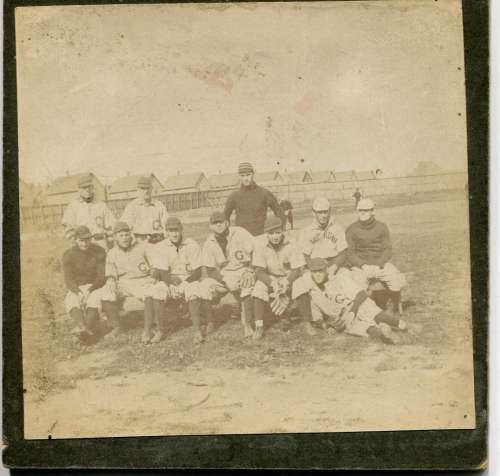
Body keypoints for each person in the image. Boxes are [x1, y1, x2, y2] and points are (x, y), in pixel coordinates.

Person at [302, 258, 407, 344]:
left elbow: (361, 294)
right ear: (310, 273)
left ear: (326, 270)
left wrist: (353, 311)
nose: (317, 275)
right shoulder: (313, 292)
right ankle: (384, 334)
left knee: (373, 313)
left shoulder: (339, 279)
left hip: (357, 304)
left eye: (320, 271)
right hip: (343, 317)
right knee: (366, 329)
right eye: (314, 272)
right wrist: (326, 326)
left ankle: (399, 324)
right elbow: (316, 316)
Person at [148, 217, 207, 344]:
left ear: (181, 229)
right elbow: (162, 271)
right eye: (171, 231)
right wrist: (170, 284)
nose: (174, 234)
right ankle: (160, 330)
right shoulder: (161, 247)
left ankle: (197, 331)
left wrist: (185, 283)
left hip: (188, 278)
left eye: (176, 230)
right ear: (166, 232)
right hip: (169, 279)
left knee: (193, 289)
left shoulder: (192, 244)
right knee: (158, 290)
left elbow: (197, 271)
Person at [101, 221, 161, 344]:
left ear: (131, 235)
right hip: (123, 283)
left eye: (127, 235)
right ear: (115, 237)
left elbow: (155, 265)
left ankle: (149, 327)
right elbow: (110, 272)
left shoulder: (142, 247)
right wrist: (111, 280)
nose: (125, 238)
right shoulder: (112, 253)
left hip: (142, 280)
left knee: (150, 293)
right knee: (106, 292)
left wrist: (154, 276)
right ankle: (117, 326)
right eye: (121, 235)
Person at [199, 211, 256, 338]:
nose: (218, 225)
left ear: (227, 223)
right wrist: (224, 281)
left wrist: (249, 270)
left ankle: (247, 323)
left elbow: (256, 251)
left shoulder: (240, 233)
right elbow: (210, 270)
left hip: (242, 270)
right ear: (210, 226)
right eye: (215, 223)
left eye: (221, 222)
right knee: (204, 286)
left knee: (247, 284)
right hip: (224, 275)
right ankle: (210, 322)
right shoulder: (209, 242)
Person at [251, 216, 309, 339]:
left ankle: (307, 321)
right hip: (270, 276)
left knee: (300, 284)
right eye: (271, 233)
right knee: (258, 288)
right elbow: (259, 271)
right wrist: (271, 282)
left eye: (277, 232)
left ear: (283, 231)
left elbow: (297, 269)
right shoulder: (260, 243)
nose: (275, 236)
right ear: (266, 233)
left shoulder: (292, 242)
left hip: (288, 276)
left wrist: (287, 281)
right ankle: (259, 326)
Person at [345, 198, 406, 315]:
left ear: (373, 211)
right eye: (360, 210)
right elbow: (350, 253)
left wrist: (379, 264)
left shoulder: (382, 227)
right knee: (357, 284)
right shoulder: (351, 229)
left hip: (380, 264)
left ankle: (393, 307)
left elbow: (388, 249)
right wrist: (362, 265)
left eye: (366, 210)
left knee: (395, 278)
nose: (362, 213)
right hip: (361, 267)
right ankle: (362, 311)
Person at [62, 225, 109, 344]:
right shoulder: (68, 254)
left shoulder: (99, 251)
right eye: (81, 240)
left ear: (91, 238)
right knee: (72, 300)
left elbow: (101, 276)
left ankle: (83, 331)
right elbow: (68, 279)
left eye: (87, 239)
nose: (85, 243)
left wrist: (90, 289)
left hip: (96, 286)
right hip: (77, 287)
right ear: (75, 240)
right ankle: (82, 326)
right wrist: (77, 292)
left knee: (94, 300)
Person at [224, 162, 284, 236]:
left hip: (261, 236)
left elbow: (279, 212)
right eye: (242, 176)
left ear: (253, 174)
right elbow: (225, 216)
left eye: (248, 175)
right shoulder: (234, 196)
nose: (246, 178)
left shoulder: (264, 193)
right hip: (242, 238)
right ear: (239, 176)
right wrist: (228, 234)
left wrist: (280, 230)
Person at [61, 174, 115, 248]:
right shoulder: (73, 206)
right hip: (82, 245)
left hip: (100, 243)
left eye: (89, 187)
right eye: (84, 188)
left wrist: (110, 243)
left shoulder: (101, 205)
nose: (87, 190)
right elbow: (67, 227)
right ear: (79, 190)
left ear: (93, 188)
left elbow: (111, 226)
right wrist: (75, 243)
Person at [120, 176, 168, 243]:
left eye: (148, 188)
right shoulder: (131, 207)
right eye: (143, 188)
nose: (146, 191)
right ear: (138, 190)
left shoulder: (159, 206)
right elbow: (124, 228)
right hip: (138, 242)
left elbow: (167, 226)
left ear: (151, 189)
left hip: (157, 241)